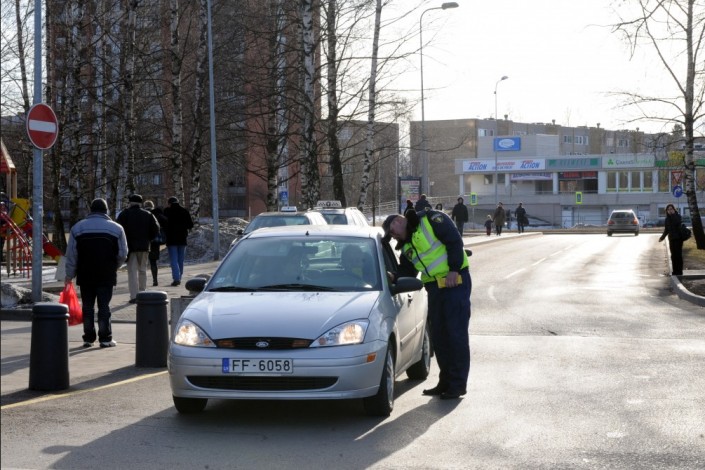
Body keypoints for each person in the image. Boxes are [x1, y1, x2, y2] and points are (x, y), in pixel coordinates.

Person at [382, 208, 471, 400]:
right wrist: (393, 276)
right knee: (439, 336)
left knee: (455, 334)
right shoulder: (406, 247)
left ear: (399, 220)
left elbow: (454, 240)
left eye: (392, 230)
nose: (394, 235)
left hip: (455, 282)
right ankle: (445, 381)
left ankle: (457, 385)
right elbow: (407, 271)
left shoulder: (430, 219)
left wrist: (454, 270)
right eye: (390, 235)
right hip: (434, 287)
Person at [64, 198, 128, 348]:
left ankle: (88, 337)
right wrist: (114, 266)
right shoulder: (117, 228)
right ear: (106, 211)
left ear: (90, 210)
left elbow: (72, 254)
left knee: (87, 307)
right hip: (106, 273)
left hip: (85, 273)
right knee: (104, 306)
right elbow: (123, 253)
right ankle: (105, 338)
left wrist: (69, 275)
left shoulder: (77, 228)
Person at [117, 194, 160, 303]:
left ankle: (134, 296)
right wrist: (148, 239)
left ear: (130, 202)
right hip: (144, 246)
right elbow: (156, 229)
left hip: (130, 247)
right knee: (143, 270)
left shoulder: (124, 215)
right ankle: (142, 293)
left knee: (132, 272)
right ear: (140, 203)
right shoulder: (148, 214)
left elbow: (118, 231)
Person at [163, 196, 194, 286]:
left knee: (173, 259)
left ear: (169, 203)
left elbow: (164, 224)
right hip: (182, 238)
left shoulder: (167, 211)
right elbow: (190, 225)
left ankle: (176, 278)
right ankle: (179, 277)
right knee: (181, 260)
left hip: (171, 239)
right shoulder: (184, 211)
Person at [144, 200, 168, 286]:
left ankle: (143, 281)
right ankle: (155, 280)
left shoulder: (143, 214)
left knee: (143, 262)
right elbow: (166, 221)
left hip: (144, 241)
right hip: (155, 241)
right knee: (153, 262)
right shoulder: (157, 214)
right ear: (153, 206)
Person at [659, 203, 684, 276]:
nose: (670, 211)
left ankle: (679, 271)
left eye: (671, 209)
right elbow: (666, 230)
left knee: (678, 255)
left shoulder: (678, 216)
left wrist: (673, 215)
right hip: (671, 239)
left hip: (678, 239)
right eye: (668, 209)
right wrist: (662, 237)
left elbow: (677, 223)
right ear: (666, 211)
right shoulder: (667, 219)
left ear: (674, 209)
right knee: (673, 255)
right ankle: (675, 271)